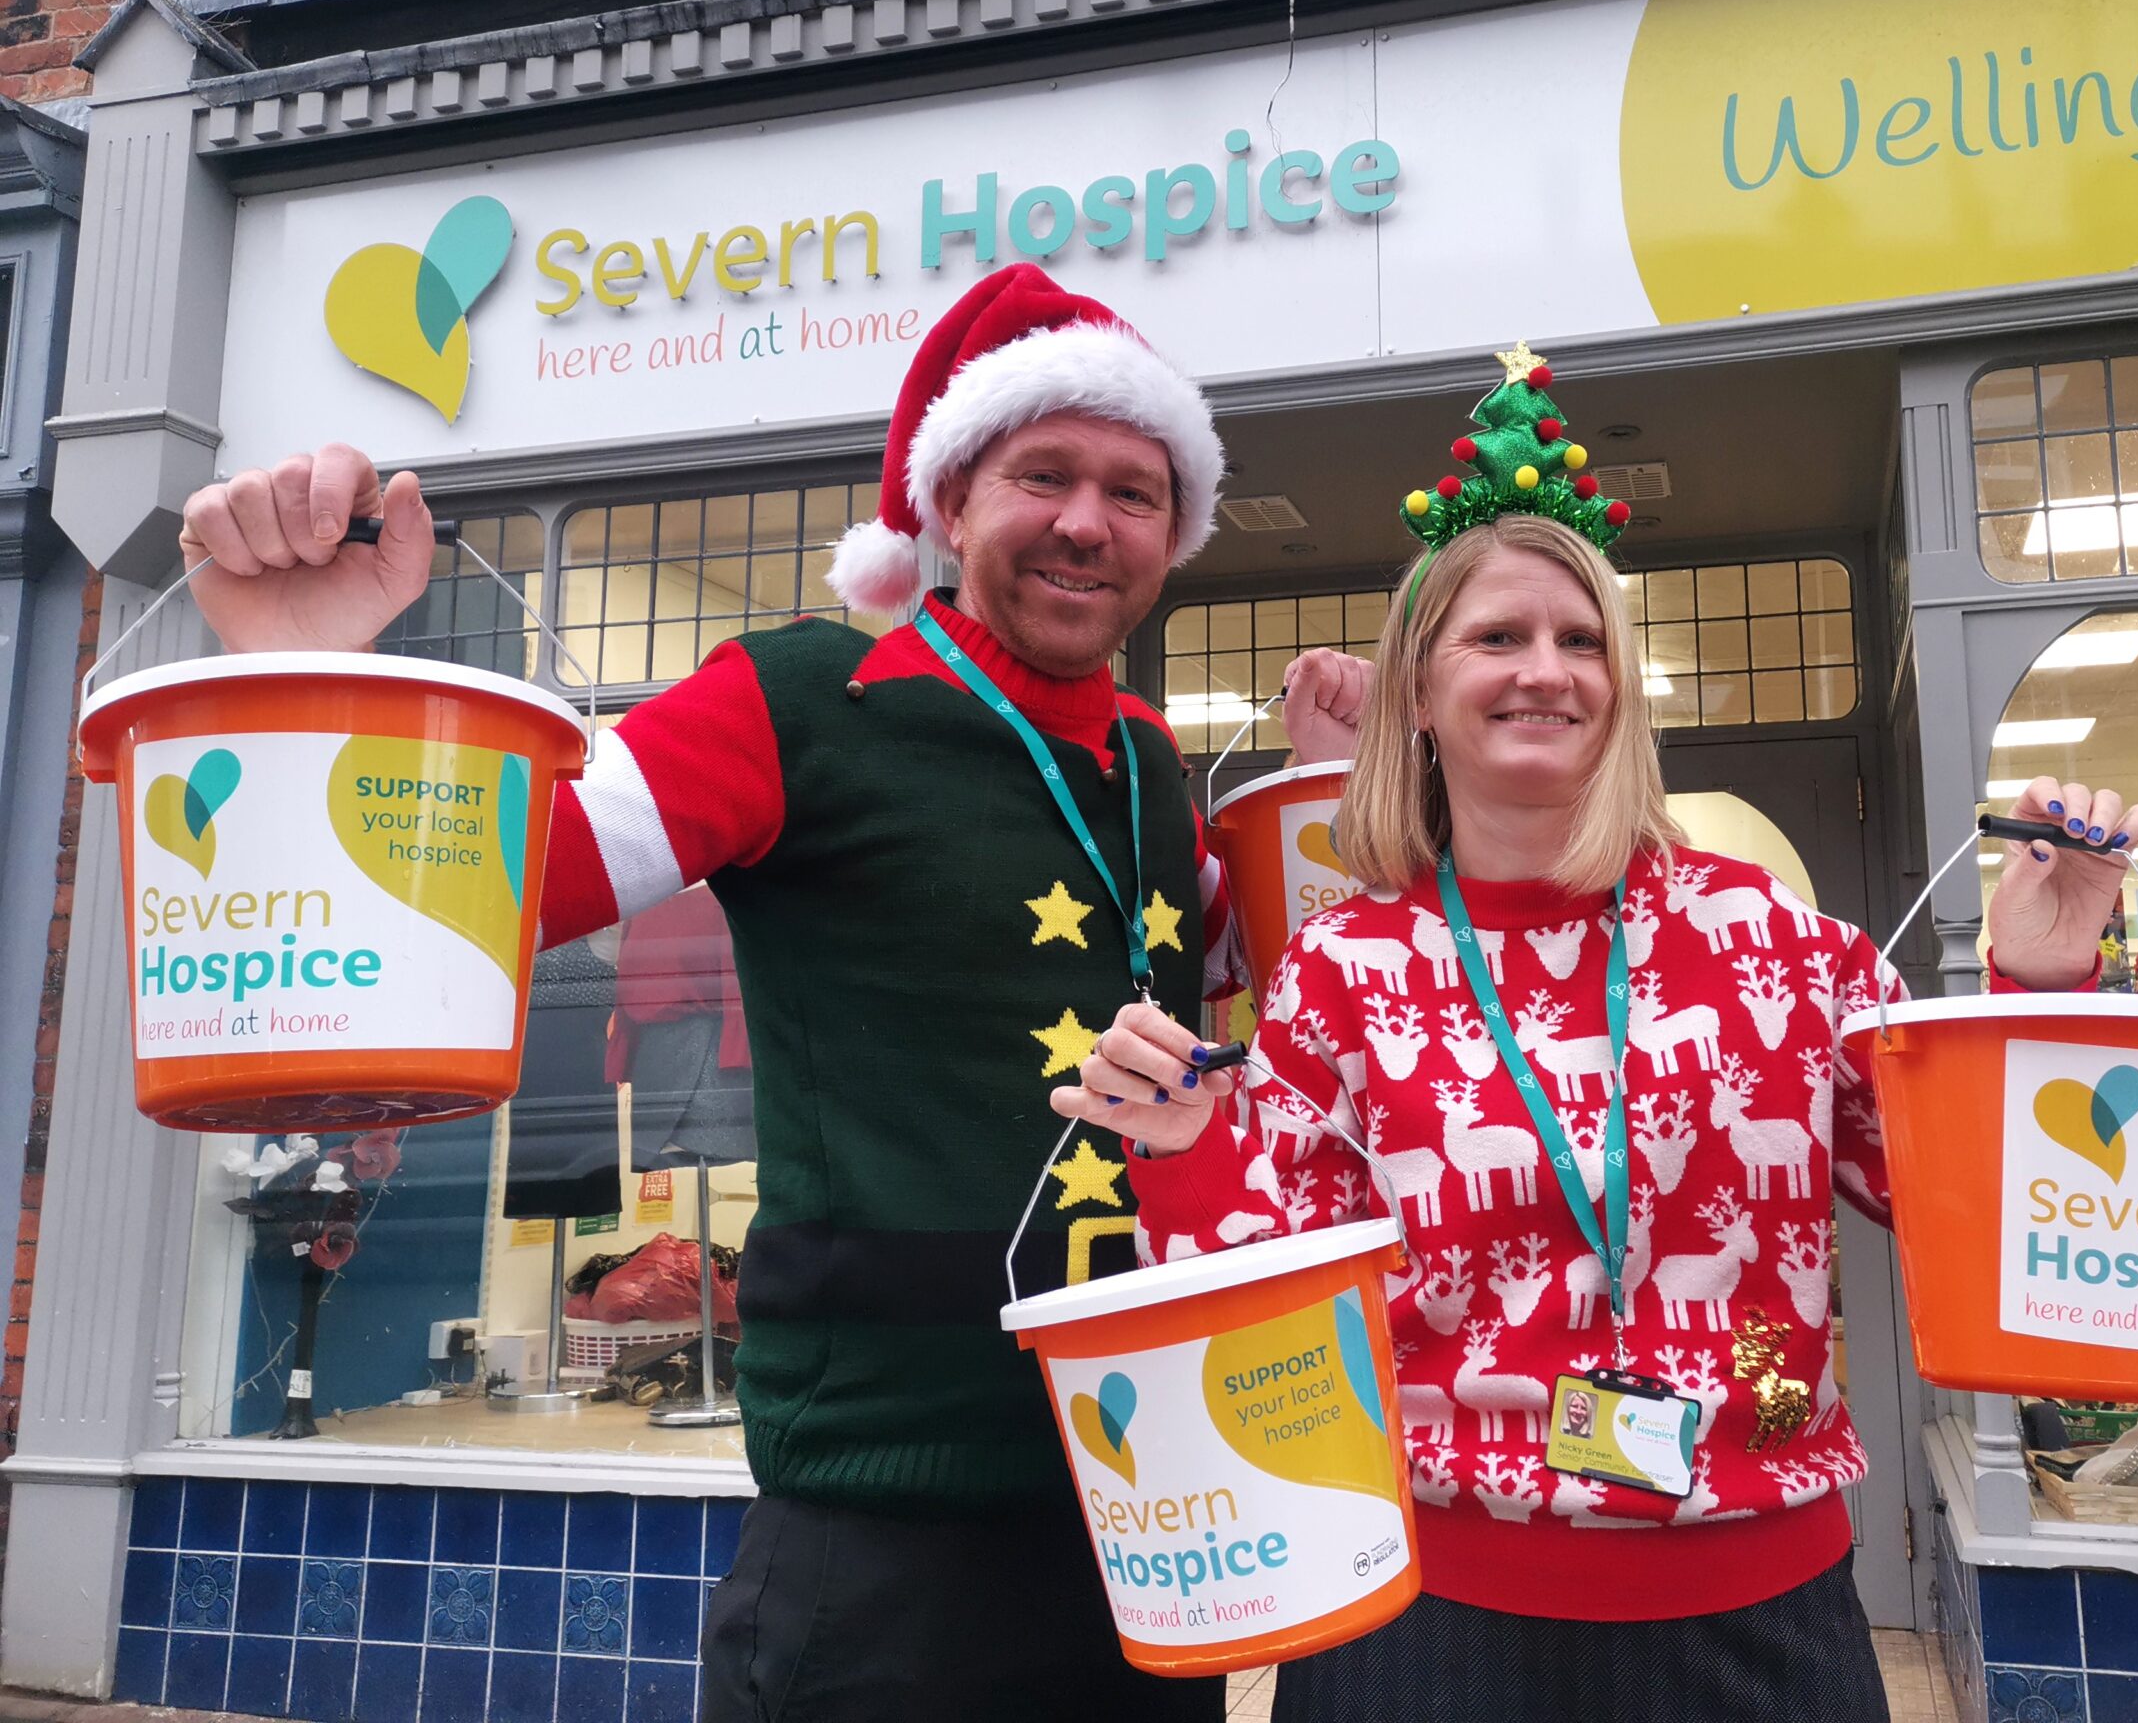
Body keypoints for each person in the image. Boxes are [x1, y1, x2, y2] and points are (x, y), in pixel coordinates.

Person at [176, 264, 1372, 1721]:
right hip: (883, 1544)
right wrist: (310, 658)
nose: (1086, 519)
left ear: (1173, 533)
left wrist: (1324, 801)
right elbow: (461, 898)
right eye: (1040, 473)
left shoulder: (1146, 762)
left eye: (1135, 489)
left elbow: (1257, 1014)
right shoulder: (799, 700)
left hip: (1151, 1511)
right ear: (947, 503)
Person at [1057, 353, 2138, 1720]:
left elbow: (1966, 1198)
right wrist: (1185, 1144)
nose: (1544, 671)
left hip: (1758, 1616)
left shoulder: (1773, 938)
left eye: (1582, 642)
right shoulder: (1345, 969)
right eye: (1497, 639)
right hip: (1431, 1619)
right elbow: (1269, 1302)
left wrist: (2040, 978)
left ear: (1623, 690)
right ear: (1418, 693)